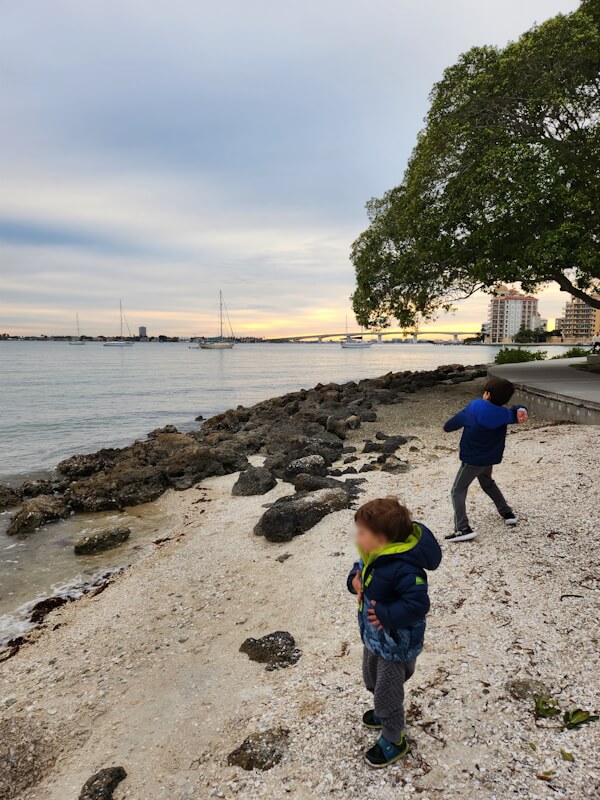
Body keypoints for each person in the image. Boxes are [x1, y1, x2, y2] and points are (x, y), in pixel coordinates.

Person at [347, 497, 442, 768]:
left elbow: (418, 604)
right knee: (371, 677)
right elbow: (359, 570)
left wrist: (387, 616)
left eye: (362, 532)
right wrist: (353, 582)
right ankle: (382, 710)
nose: (357, 536)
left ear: (381, 538)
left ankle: (394, 736)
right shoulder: (374, 555)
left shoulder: (405, 568)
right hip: (374, 638)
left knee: (388, 691)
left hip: (395, 644)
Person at [443, 376, 527, 542]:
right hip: (489, 458)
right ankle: (507, 513)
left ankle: (462, 528)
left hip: (472, 460)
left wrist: (446, 427)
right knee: (487, 482)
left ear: (487, 394)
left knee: (457, 490)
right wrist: (520, 408)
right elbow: (517, 413)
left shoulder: (475, 407)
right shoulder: (504, 414)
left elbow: (450, 425)